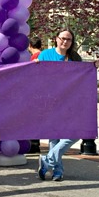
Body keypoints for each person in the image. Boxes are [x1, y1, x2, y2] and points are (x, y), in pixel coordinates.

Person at [36, 29, 82, 182]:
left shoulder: (75, 58)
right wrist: (35, 66)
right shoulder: (45, 55)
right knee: (54, 137)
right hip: (50, 102)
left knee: (76, 133)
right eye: (62, 38)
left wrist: (93, 66)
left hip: (69, 102)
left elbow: (81, 77)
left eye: (68, 39)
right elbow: (37, 77)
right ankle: (58, 171)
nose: (65, 42)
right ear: (56, 39)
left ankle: (47, 160)